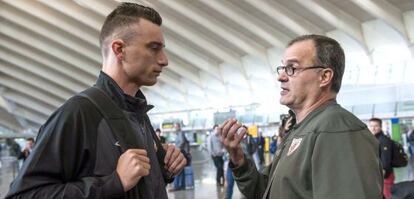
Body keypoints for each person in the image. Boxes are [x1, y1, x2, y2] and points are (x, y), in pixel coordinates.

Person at [6, 3, 187, 199]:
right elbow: (23, 195)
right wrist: (114, 182)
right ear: (119, 49)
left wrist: (164, 168)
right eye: (154, 48)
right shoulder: (79, 113)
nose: (164, 60)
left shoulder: (138, 114)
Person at [218, 34, 383, 199]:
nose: (281, 76)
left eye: (292, 68)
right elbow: (268, 191)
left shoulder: (336, 131)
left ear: (324, 77)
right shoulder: (301, 128)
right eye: (282, 68)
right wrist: (239, 160)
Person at [369, 118, 394, 199]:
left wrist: (383, 176)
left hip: (385, 176)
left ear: (380, 127)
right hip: (378, 175)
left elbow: (386, 161)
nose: (373, 128)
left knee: (387, 196)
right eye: (371, 126)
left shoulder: (384, 140)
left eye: (376, 126)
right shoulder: (375, 139)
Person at [170, 122, 190, 191]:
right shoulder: (178, 134)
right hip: (181, 153)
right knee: (181, 170)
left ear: (178, 127)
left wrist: (176, 149)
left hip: (181, 153)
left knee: (178, 169)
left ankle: (176, 186)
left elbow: (182, 142)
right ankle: (182, 186)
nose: (175, 128)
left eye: (176, 127)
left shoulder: (181, 133)